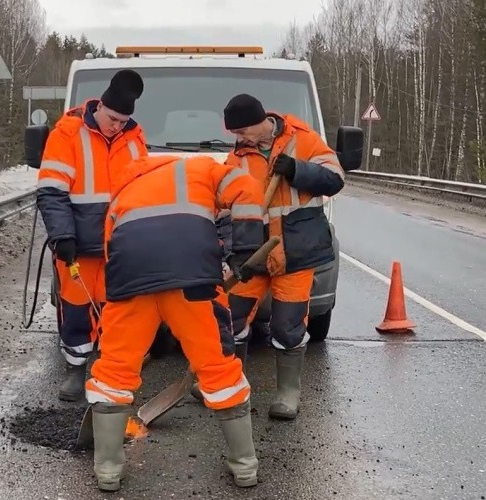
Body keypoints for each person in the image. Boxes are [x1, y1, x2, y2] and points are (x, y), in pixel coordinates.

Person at [84, 154, 267, 492]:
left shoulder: (122, 192)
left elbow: (110, 251)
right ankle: (244, 467)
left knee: (115, 368)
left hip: (130, 282)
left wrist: (128, 300)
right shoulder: (202, 169)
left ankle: (107, 469)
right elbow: (246, 188)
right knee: (218, 368)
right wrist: (243, 251)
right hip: (193, 279)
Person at [213, 93, 345, 420]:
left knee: (287, 325)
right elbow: (225, 212)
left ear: (259, 122)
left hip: (297, 249)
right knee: (231, 317)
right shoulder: (236, 160)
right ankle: (229, 382)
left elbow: (335, 179)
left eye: (242, 132)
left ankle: (288, 393)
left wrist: (298, 170)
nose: (239, 139)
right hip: (253, 251)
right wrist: (233, 255)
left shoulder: (303, 140)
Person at [36, 69, 148, 401]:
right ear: (99, 107)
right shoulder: (67, 134)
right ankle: (76, 370)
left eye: (123, 120)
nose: (117, 126)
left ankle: (109, 373)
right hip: (78, 246)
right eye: (113, 118)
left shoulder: (134, 138)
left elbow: (141, 191)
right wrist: (62, 236)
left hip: (119, 247)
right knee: (75, 308)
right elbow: (51, 192)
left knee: (117, 311)